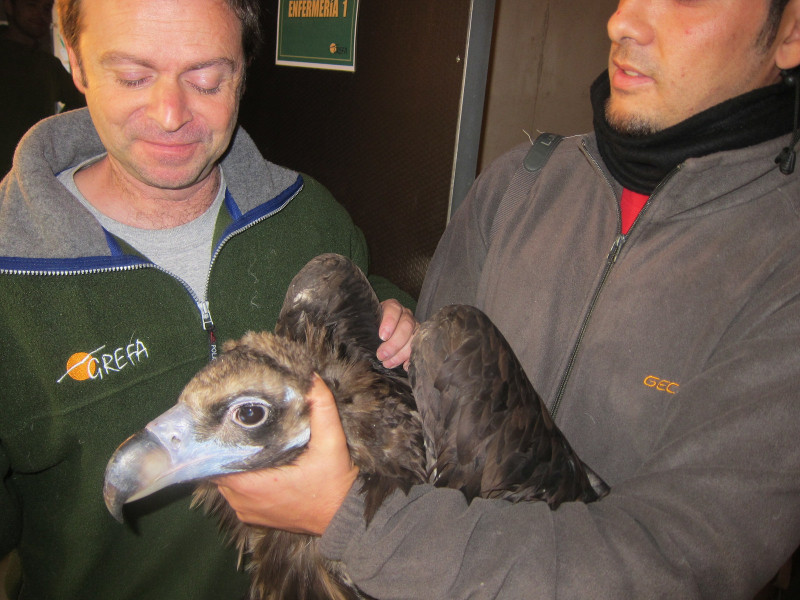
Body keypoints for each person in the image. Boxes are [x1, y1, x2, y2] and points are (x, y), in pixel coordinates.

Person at [215, 0, 800, 598]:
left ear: (791, 32)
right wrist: (392, 356)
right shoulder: (520, 181)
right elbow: (429, 439)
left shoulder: (787, 267)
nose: (623, 23)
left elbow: (679, 564)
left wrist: (356, 521)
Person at [0, 0, 416, 597]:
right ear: (78, 65)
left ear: (244, 71)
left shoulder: (307, 216)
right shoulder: (10, 284)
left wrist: (396, 321)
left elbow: (369, 318)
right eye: (133, 76)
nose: (171, 114)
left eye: (206, 78)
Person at [0, 0, 85, 177]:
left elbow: (80, 100)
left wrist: (54, 131)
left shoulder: (47, 64)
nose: (40, 14)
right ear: (9, 6)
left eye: (46, 8)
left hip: (34, 170)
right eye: (30, 5)